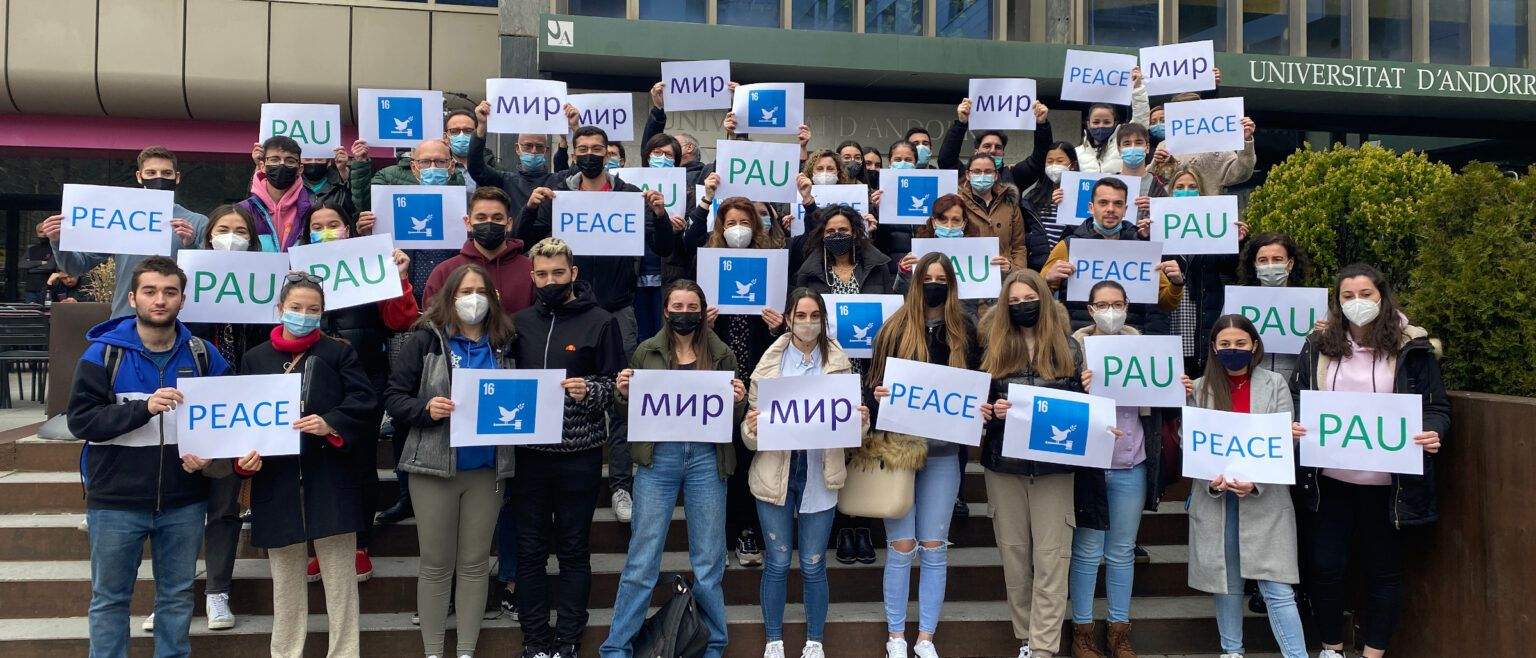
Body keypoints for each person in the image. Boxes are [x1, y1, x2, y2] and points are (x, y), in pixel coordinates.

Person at [67, 256, 233, 657]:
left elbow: (226, 425)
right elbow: (82, 421)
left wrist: (210, 461)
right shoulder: (102, 354)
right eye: (150, 291)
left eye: (170, 292)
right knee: (109, 601)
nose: (160, 300)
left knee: (176, 600)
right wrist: (143, 408)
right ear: (132, 297)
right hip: (115, 501)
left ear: (182, 299)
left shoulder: (204, 355)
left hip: (183, 501)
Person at [1292, 263, 1448, 658]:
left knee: (1384, 571)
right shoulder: (1318, 343)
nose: (1357, 303)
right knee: (1325, 568)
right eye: (1348, 296)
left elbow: (1437, 407)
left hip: (1390, 487)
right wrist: (1295, 424)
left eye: (1366, 295)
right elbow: (1298, 396)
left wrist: (1434, 432)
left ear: (1382, 297)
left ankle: (1373, 652)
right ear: (1337, 300)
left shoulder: (1414, 346)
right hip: (1329, 481)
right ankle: (1331, 648)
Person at [221, 272, 376, 658]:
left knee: (340, 579)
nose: (303, 315)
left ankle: (345, 652)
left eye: (313, 309)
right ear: (279, 309)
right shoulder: (255, 358)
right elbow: (243, 416)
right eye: (295, 308)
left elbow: (365, 401)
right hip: (277, 480)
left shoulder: (339, 352)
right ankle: (286, 652)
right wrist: (245, 458)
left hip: (330, 475)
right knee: (286, 581)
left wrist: (331, 423)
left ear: (323, 313)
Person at [601, 279, 748, 658]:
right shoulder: (645, 352)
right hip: (658, 458)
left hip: (706, 460)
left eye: (691, 307)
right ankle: (618, 646)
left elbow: (732, 419)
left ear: (702, 311)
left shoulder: (722, 354)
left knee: (709, 560)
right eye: (677, 307)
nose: (685, 314)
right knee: (642, 558)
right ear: (665, 311)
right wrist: (622, 392)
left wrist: (739, 401)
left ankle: (712, 644)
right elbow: (624, 412)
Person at [385, 263, 520, 658]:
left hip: (487, 470)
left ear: (493, 298)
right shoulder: (425, 341)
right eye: (464, 292)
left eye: (479, 290)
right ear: (450, 298)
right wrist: (426, 409)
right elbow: (393, 397)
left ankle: (465, 651)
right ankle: (431, 651)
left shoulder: (508, 344)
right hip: (433, 468)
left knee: (476, 563)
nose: (472, 298)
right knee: (436, 564)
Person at [975, 269, 1105, 658]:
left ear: (1044, 301)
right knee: (1014, 557)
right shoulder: (991, 348)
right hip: (1005, 466)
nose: (1021, 306)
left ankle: (1045, 648)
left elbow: (1083, 408)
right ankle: (1026, 641)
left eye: (1028, 298)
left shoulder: (1070, 348)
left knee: (1052, 559)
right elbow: (973, 407)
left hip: (1054, 470)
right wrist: (988, 410)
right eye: (1013, 302)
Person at [510, 237, 624, 658]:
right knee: (530, 549)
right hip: (529, 457)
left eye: (558, 273)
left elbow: (617, 386)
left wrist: (589, 389)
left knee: (574, 547)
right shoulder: (519, 322)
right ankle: (535, 640)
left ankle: (569, 639)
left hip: (580, 455)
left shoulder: (601, 321)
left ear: (573, 273)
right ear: (532, 276)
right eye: (542, 274)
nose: (550, 280)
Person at [863, 252, 981, 658]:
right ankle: (896, 634)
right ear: (915, 282)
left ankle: (926, 637)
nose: (933, 283)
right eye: (927, 277)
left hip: (945, 453)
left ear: (950, 284)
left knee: (934, 546)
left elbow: (980, 383)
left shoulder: (965, 329)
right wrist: (876, 396)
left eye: (940, 277)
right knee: (901, 547)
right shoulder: (894, 327)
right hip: (900, 450)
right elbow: (871, 385)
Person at [742, 288, 869, 658]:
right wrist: (751, 427)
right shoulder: (767, 366)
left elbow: (850, 434)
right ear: (788, 318)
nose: (808, 323)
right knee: (778, 561)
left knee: (814, 564)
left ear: (823, 321)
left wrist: (860, 422)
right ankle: (773, 640)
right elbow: (750, 440)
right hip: (774, 474)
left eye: (815, 316)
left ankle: (814, 641)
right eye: (801, 315)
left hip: (819, 473)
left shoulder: (841, 364)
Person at [297, 204, 419, 581]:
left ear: (348, 229)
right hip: (311, 381)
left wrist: (399, 278)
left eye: (333, 224)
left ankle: (359, 545)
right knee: (313, 469)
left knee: (362, 465)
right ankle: (320, 545)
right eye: (317, 226)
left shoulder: (372, 265)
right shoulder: (296, 274)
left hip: (365, 379)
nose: (326, 231)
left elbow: (401, 319)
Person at [1179, 314, 1309, 658]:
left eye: (1240, 343)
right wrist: (1213, 478)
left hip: (1265, 500)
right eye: (1225, 344)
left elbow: (1282, 442)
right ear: (1213, 348)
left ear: (1254, 346)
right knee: (1226, 583)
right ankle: (1231, 652)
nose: (1232, 350)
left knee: (1277, 586)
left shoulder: (1275, 384)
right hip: (1217, 498)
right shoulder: (1199, 386)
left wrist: (1256, 482)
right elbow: (1190, 442)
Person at [678, 189, 788, 566]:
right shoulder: (706, 265)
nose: (737, 229)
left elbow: (784, 335)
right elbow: (682, 320)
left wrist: (778, 326)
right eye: (730, 224)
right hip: (716, 376)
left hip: (756, 376)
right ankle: (716, 538)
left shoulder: (771, 267)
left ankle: (746, 533)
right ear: (719, 229)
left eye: (744, 223)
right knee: (716, 459)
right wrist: (700, 323)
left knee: (746, 456)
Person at [1065, 280, 1170, 658]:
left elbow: (1162, 401)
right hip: (1090, 465)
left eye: (1117, 304)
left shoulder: (1144, 349)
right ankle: (1082, 630)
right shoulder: (1072, 349)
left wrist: (1178, 386)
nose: (1110, 310)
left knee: (1123, 551)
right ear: (1089, 309)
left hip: (1131, 462)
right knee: (1089, 550)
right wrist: (1078, 385)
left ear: (1127, 306)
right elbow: (1059, 398)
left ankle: (1118, 630)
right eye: (1101, 304)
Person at [188, 204, 274, 632]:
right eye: (223, 229)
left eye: (241, 231)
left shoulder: (264, 286)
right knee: (181, 511)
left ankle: (217, 593)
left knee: (224, 507)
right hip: (192, 406)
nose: (232, 236)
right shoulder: (187, 286)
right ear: (208, 238)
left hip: (242, 407)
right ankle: (175, 592)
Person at [520, 125, 676, 355]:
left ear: (607, 153)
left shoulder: (629, 195)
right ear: (573, 155)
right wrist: (530, 209)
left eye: (596, 149)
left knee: (620, 379)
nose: (589, 154)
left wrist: (661, 216)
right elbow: (525, 242)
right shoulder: (558, 195)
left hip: (618, 307)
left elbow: (662, 247)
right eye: (582, 149)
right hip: (568, 307)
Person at [37, 146, 210, 318]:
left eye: (166, 173)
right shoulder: (120, 219)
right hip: (126, 318)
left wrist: (192, 244)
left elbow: (211, 277)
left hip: (180, 321)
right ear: (139, 176)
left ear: (177, 177)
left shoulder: (197, 222)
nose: (159, 178)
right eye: (151, 173)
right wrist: (58, 241)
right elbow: (75, 266)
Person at [1136, 167, 1247, 374]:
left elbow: (1230, 266)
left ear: (1201, 191)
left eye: (1192, 187)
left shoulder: (1214, 226)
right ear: (1170, 192)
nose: (1185, 191)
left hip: (1203, 312)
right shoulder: (1157, 225)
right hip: (1169, 311)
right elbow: (1143, 271)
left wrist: (1237, 242)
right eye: (1180, 187)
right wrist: (1145, 237)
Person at [1041, 178, 1184, 334]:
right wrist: (1047, 279)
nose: (1110, 209)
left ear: (1125, 209)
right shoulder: (1068, 246)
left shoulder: (1141, 248)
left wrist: (1176, 283)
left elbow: (1167, 303)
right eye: (1103, 203)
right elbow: (1037, 295)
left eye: (1117, 204)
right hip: (1080, 340)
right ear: (1091, 207)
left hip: (1130, 339)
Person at [423, 186, 536, 315]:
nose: (489, 223)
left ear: (509, 223)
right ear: (468, 222)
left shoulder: (531, 270)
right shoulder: (444, 272)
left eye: (497, 218)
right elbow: (433, 324)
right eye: (481, 218)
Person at [1236, 233, 1310, 381]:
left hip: (1294, 386)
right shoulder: (1238, 300)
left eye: (1277, 259)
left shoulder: (1309, 302)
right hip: (1248, 384)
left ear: (1290, 264)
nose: (1270, 265)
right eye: (1263, 260)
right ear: (1255, 265)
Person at [1150, 94, 1257, 196]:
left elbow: (1242, 172)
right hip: (1172, 211)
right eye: (1182, 111)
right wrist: (1155, 164)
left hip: (1208, 211)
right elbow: (1150, 182)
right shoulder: (1165, 146)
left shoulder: (1218, 144)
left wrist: (1247, 141)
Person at [938, 97, 1053, 189]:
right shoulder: (963, 175)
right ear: (976, 151)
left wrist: (1041, 125)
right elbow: (946, 160)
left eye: (998, 147)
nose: (993, 150)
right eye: (987, 146)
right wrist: (961, 123)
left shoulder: (1014, 176)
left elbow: (1039, 160)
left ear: (1003, 152)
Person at [466, 101, 558, 210]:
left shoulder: (558, 180)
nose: (533, 151)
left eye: (539, 146)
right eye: (528, 146)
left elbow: (581, 169)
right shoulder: (505, 181)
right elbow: (476, 169)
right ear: (517, 149)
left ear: (546, 151)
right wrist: (481, 126)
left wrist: (574, 129)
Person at [240, 136, 323, 252]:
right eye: (274, 160)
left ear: (300, 169)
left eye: (290, 161)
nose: (282, 165)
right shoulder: (243, 210)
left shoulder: (314, 208)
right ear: (262, 166)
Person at [794, 204, 893, 297]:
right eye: (830, 231)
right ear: (822, 236)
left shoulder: (878, 266)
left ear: (854, 233)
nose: (837, 235)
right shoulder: (808, 273)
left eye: (843, 230)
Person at [956, 153, 1029, 272]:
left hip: (1003, 277)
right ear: (968, 175)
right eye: (977, 171)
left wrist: (1014, 270)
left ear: (996, 175)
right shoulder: (957, 203)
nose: (983, 175)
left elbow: (1019, 247)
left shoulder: (1010, 203)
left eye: (988, 171)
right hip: (968, 274)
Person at [1076, 69, 1149, 173]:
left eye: (1106, 122)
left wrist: (1137, 88)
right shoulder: (1077, 152)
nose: (1101, 126)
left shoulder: (1123, 146)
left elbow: (1141, 119)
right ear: (1088, 124)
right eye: (1096, 122)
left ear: (1114, 123)